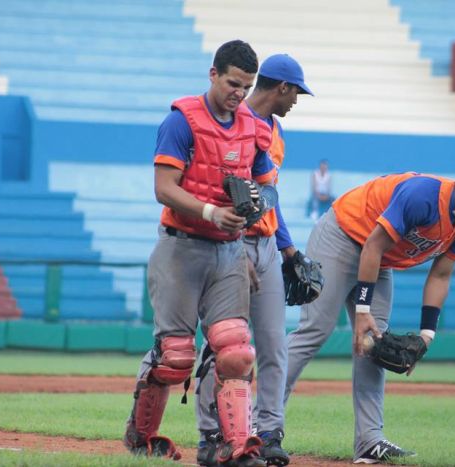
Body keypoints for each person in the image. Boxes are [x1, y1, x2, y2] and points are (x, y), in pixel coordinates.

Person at [283, 156, 455, 464]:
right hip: (343, 235)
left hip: (378, 259)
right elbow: (373, 245)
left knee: (374, 343)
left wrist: (426, 334)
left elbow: (440, 275)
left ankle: (369, 441)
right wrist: (362, 309)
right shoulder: (423, 195)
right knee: (316, 330)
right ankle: (264, 426)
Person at [123, 40, 279, 467]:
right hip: (181, 247)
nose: (239, 94)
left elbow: (267, 183)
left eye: (246, 87)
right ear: (213, 74)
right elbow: (163, 188)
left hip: (230, 252)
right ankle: (141, 437)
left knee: (235, 351)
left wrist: (256, 207)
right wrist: (212, 210)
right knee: (175, 355)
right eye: (232, 83)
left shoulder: (252, 126)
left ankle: (231, 446)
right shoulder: (181, 121)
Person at [195, 53, 314, 467]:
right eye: (296, 91)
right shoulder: (234, 120)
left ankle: (268, 432)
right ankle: (212, 434)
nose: (297, 100)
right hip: (230, 242)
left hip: (265, 245)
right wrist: (234, 243)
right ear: (281, 87)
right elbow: (218, 190)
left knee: (274, 345)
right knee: (227, 348)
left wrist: (288, 249)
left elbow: (268, 200)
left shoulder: (275, 131)